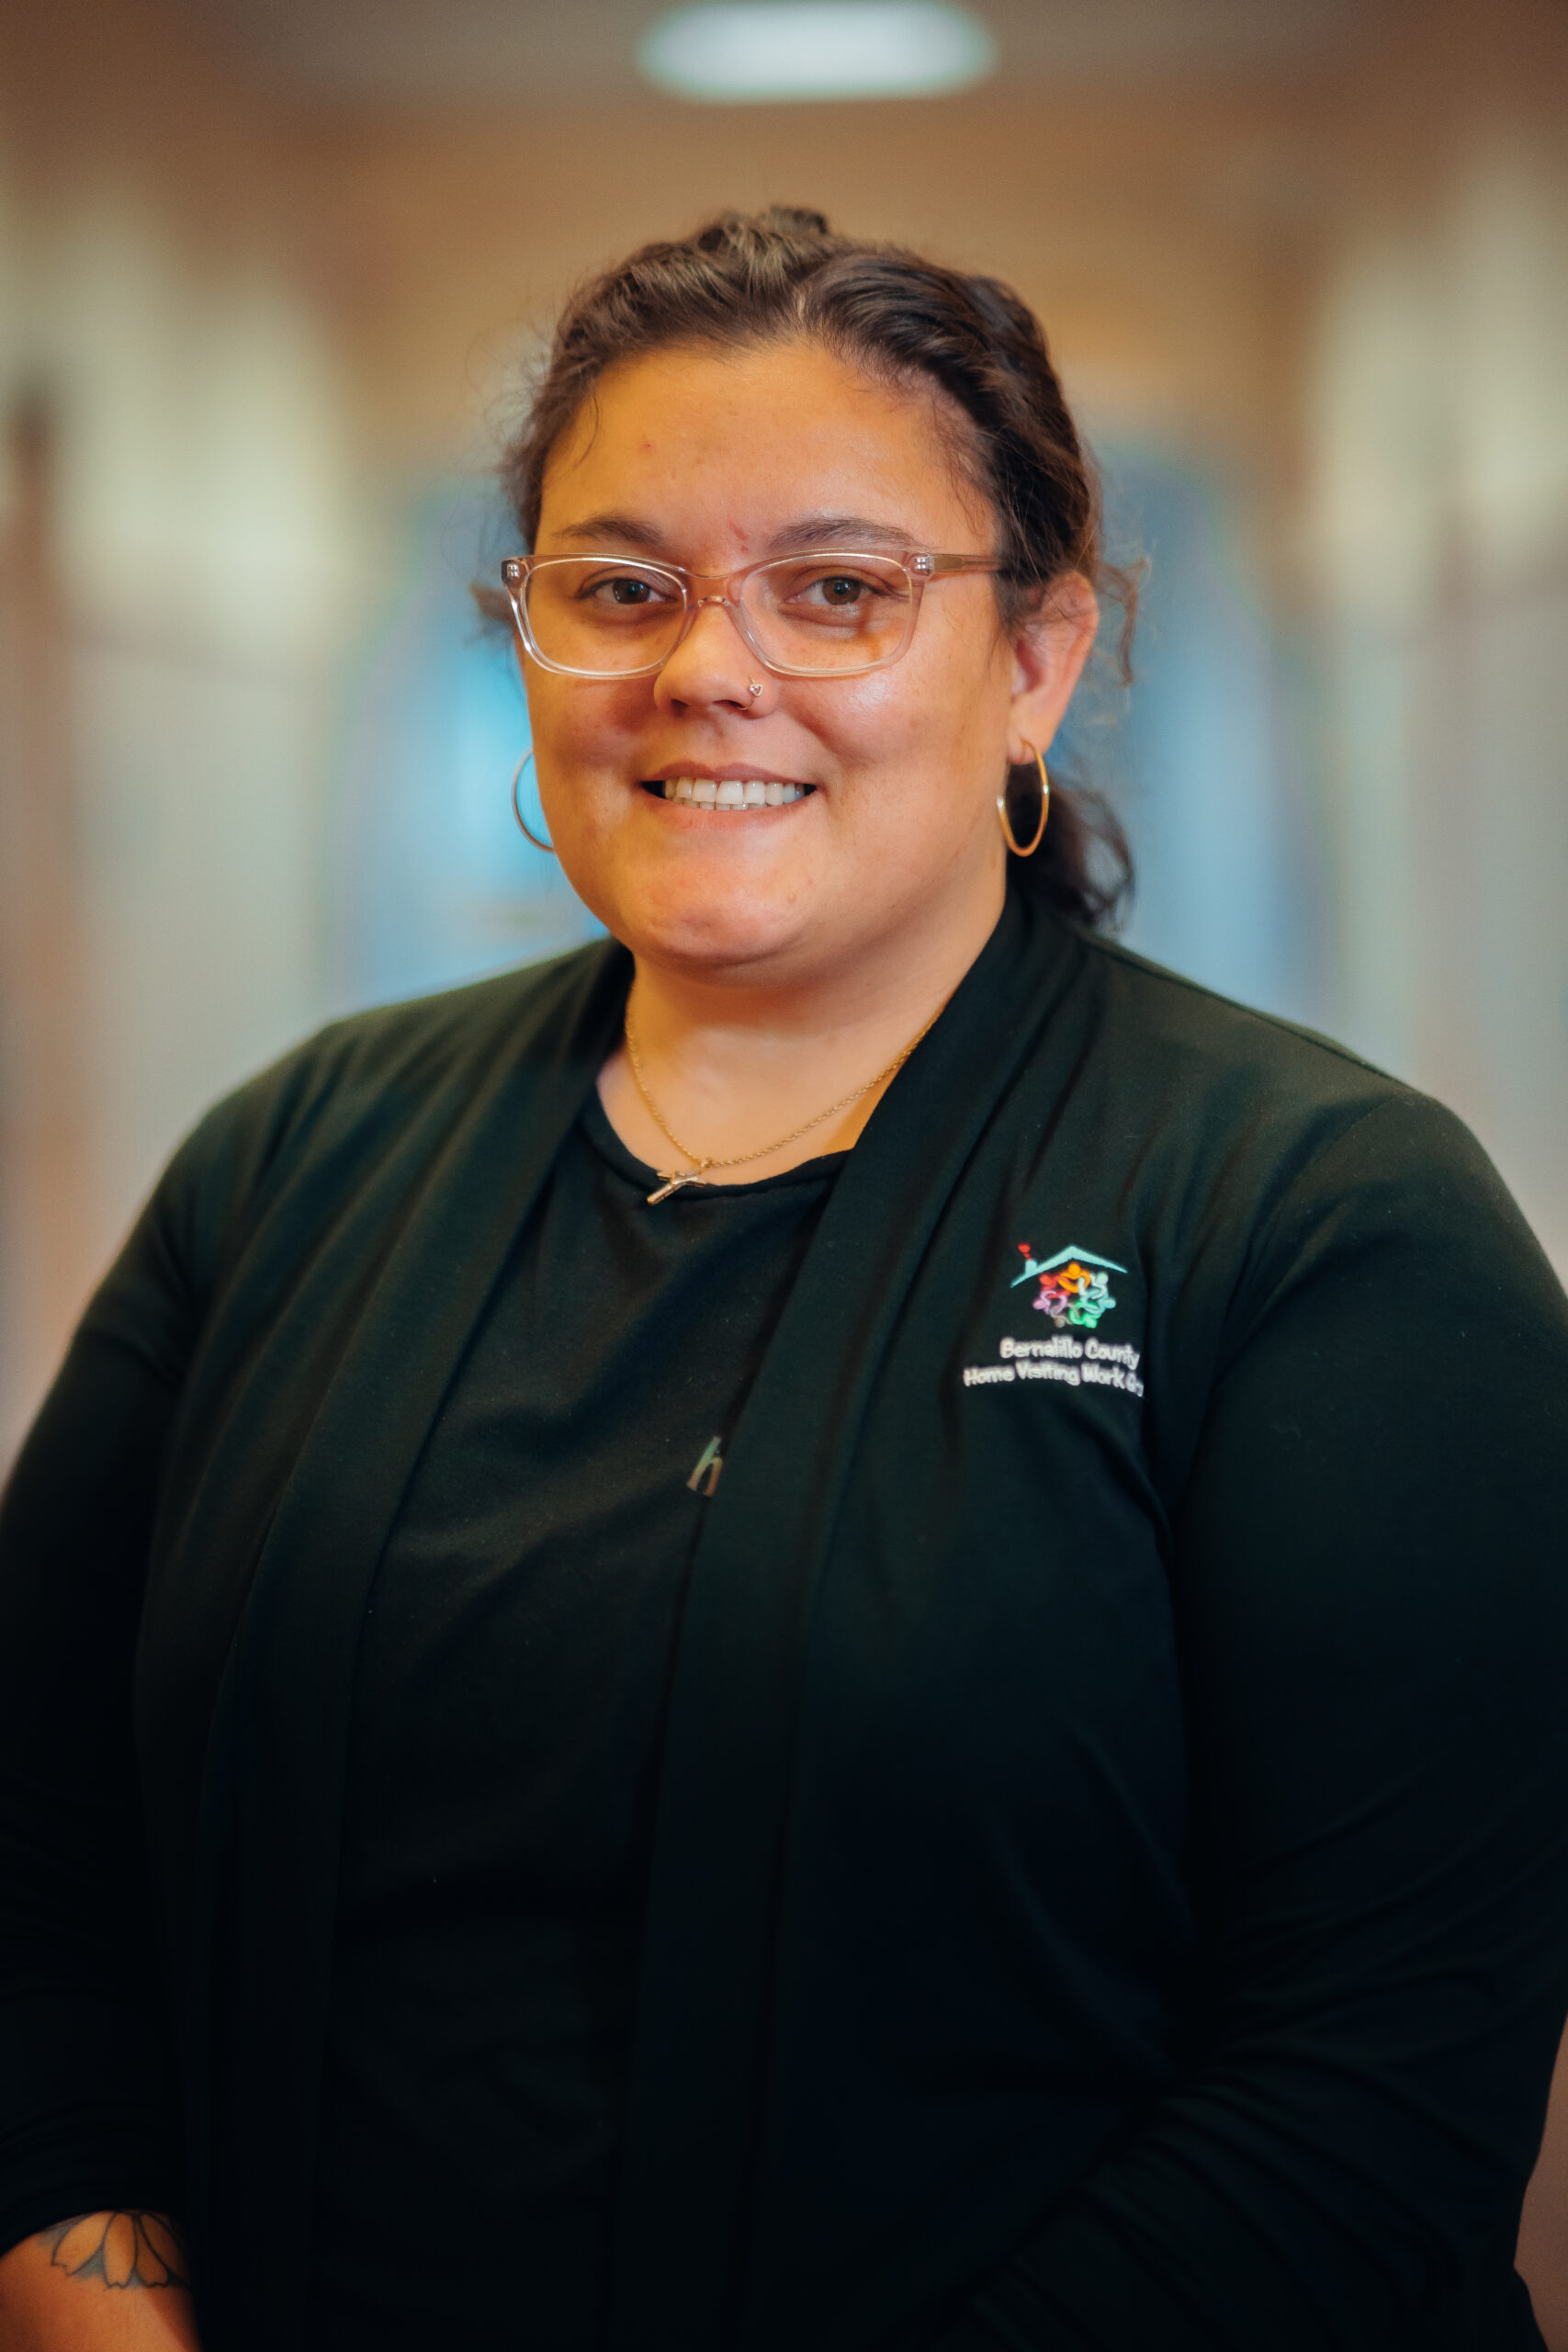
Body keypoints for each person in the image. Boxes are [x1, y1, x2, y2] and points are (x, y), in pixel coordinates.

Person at [1, 205, 1566, 2352]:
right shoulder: (295, 1159)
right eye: (617, 586)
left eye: (835, 589)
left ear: (1035, 663)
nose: (701, 666)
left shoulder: (1325, 1229)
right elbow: (36, 1836)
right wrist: (95, 2303)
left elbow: (1366, 2096)